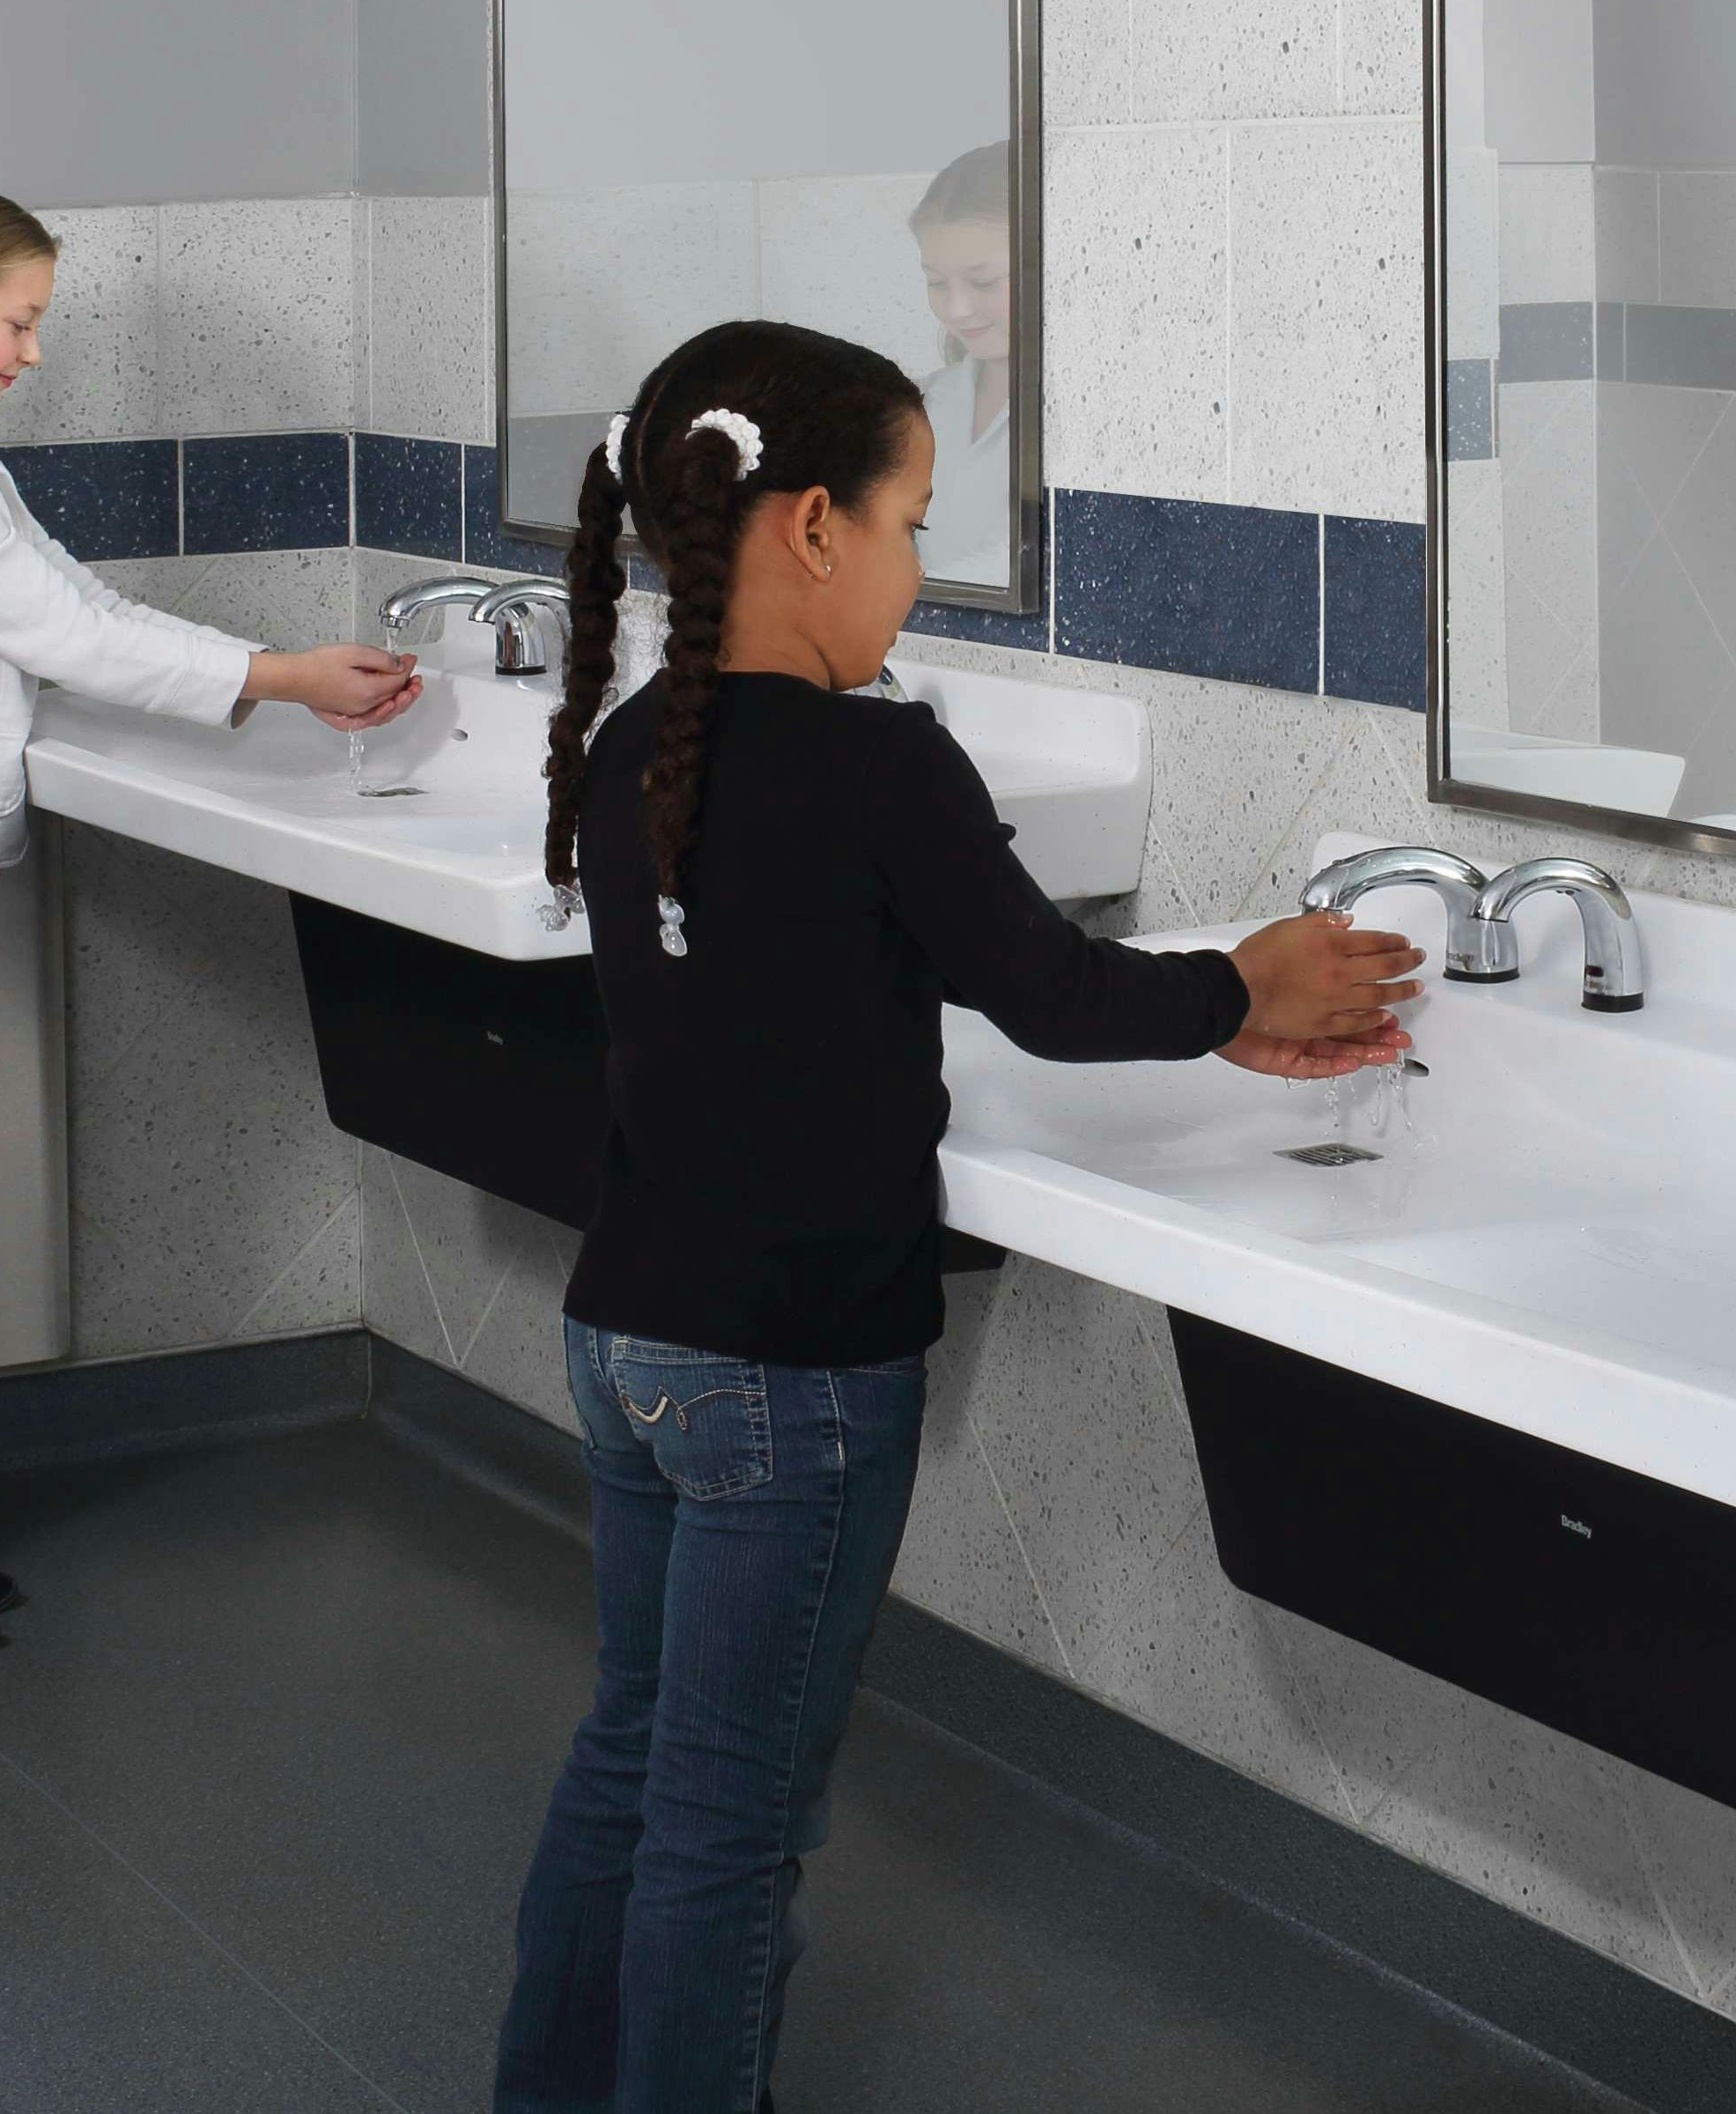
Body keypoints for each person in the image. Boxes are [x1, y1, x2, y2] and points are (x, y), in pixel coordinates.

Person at [492, 320, 1419, 2112]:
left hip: (626, 1335)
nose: (919, 576)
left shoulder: (632, 753)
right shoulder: (876, 764)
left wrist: (1222, 1000)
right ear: (813, 526)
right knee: (731, 1818)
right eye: (913, 525)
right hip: (789, 1373)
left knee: (633, 1757)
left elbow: (826, 987)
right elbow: (1053, 993)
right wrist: (1245, 981)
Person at [0, 173, 423, 1667]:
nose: (30, 354)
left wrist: (264, 668)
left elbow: (65, 601)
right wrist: (283, 676)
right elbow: (66, 635)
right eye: (16, 321)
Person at [904, 144, 1014, 589]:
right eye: (936, 282)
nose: (958, 309)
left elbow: (1018, 564)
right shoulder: (918, 404)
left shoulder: (1093, 414)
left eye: (983, 282)